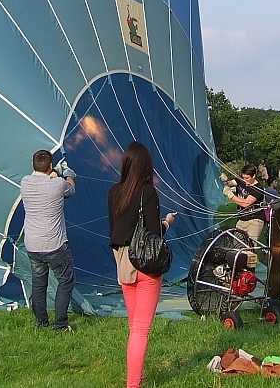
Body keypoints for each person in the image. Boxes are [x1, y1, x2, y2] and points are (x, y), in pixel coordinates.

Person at [108, 142, 175, 388]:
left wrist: (119, 264)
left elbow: (113, 234)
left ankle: (136, 376)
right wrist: (167, 223)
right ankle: (133, 383)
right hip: (146, 263)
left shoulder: (114, 192)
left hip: (123, 261)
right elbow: (154, 233)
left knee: (134, 327)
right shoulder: (147, 192)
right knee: (140, 329)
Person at [20, 150, 76, 331]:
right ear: (51, 166)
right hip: (54, 245)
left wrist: (54, 172)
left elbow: (44, 180)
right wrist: (68, 174)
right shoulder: (59, 184)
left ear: (33, 165)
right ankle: (60, 324)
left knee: (38, 284)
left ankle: (41, 322)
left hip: (33, 245)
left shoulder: (25, 182)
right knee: (66, 281)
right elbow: (71, 189)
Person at [226, 164, 266, 241]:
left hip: (254, 220)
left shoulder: (258, 188)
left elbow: (246, 203)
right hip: (242, 219)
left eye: (247, 178)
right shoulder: (241, 180)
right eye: (243, 177)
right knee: (237, 243)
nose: (244, 180)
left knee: (250, 244)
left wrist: (231, 195)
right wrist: (225, 180)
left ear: (253, 176)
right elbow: (230, 183)